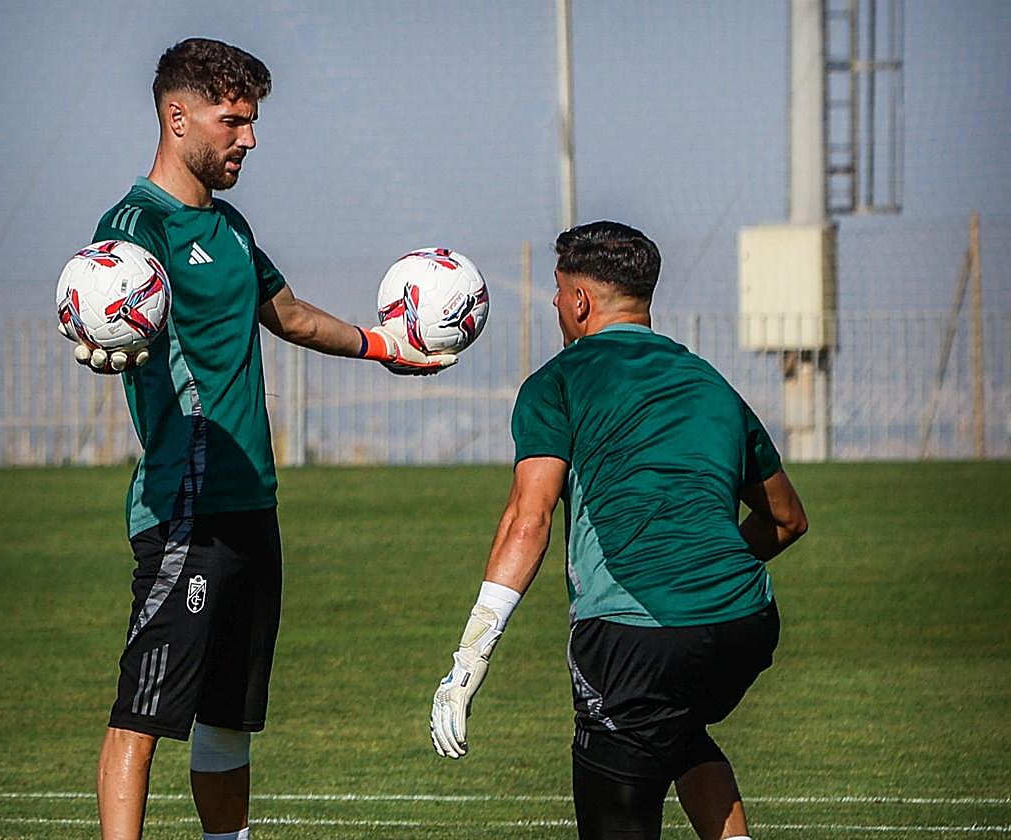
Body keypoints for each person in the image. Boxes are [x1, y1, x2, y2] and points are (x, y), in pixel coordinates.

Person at [64, 38, 455, 840]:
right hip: (187, 508)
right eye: (231, 120)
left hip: (252, 506)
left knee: (228, 719)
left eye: (252, 121)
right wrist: (110, 350)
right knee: (143, 711)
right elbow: (108, 301)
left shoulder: (231, 225)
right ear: (177, 118)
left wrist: (385, 346)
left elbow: (289, 314)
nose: (248, 138)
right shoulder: (137, 225)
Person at [428, 221, 808, 840]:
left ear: (579, 300)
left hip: (635, 634)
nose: (554, 306)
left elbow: (529, 519)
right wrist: (707, 568)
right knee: (676, 729)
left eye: (556, 293)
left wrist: (468, 661)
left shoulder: (558, 382)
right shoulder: (713, 385)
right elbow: (788, 519)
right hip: (745, 621)